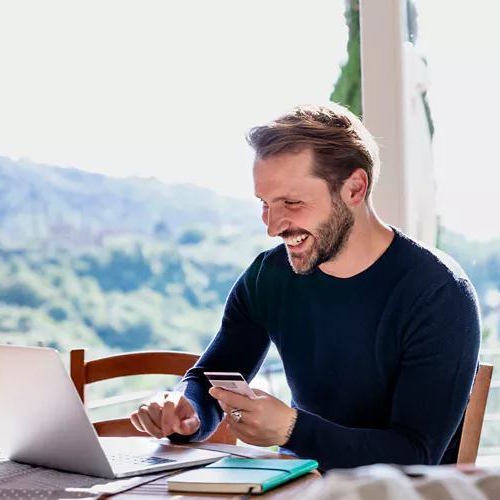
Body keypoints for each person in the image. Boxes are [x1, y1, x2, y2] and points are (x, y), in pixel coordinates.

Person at [129, 103, 481, 471]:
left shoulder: (439, 293)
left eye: (292, 202)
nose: (272, 226)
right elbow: (213, 376)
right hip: (298, 486)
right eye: (264, 204)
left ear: (354, 189)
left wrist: (291, 430)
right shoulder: (269, 276)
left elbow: (415, 454)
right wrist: (187, 411)